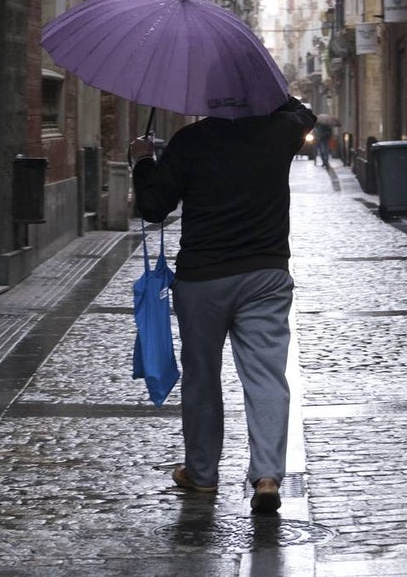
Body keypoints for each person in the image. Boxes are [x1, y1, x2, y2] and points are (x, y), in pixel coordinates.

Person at [128, 95, 316, 515]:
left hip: (203, 279)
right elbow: (304, 113)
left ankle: (201, 473)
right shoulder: (279, 133)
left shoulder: (190, 141)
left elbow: (154, 207)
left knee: (202, 377)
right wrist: (274, 96)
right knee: (267, 375)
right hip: (266, 274)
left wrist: (142, 160)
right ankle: (267, 475)